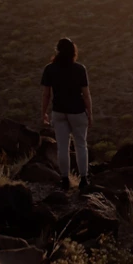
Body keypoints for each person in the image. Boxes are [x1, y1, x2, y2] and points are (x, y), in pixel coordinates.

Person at [41, 38, 93, 191]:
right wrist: (90, 112)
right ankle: (84, 179)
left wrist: (43, 113)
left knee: (62, 147)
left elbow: (46, 95)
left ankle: (65, 179)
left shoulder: (49, 69)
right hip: (77, 111)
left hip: (59, 111)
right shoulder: (79, 69)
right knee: (81, 145)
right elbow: (86, 94)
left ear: (57, 51)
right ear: (73, 51)